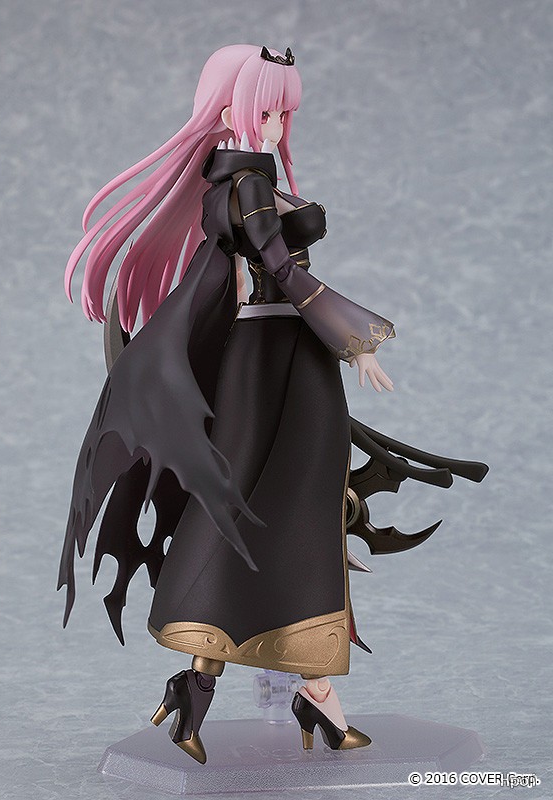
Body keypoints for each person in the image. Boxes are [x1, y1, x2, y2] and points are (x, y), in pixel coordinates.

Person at [59, 45, 487, 765]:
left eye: (287, 110)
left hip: (279, 361)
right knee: (284, 511)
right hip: (281, 359)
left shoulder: (233, 179)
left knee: (275, 512)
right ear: (231, 109)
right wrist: (356, 339)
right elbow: (283, 270)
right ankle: (265, 688)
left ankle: (248, 690)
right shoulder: (248, 184)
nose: (280, 122)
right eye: (269, 109)